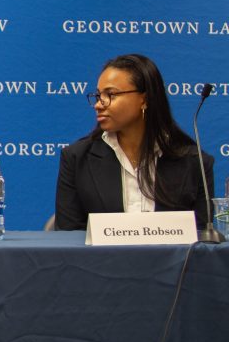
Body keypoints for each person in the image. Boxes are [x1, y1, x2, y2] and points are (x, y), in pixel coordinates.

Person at [55, 54, 213, 230]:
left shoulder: (193, 162)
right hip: (102, 259)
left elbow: (202, 243)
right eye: (99, 95)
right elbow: (67, 242)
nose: (99, 104)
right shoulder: (77, 159)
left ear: (144, 100)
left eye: (111, 94)